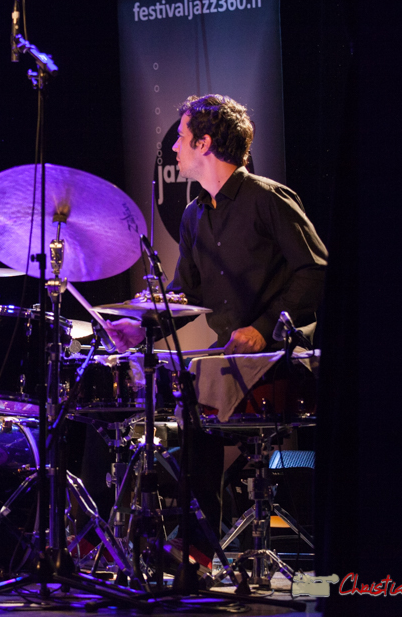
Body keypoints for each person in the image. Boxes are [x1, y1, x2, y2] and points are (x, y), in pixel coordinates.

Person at [104, 93, 328, 560]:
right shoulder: (193, 215)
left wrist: (265, 327)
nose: (176, 149)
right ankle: (118, 537)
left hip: (279, 357)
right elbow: (186, 295)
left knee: (195, 395)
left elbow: (317, 272)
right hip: (229, 361)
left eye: (183, 139)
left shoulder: (269, 199)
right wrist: (139, 330)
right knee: (130, 392)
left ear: (206, 143)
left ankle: (197, 545)